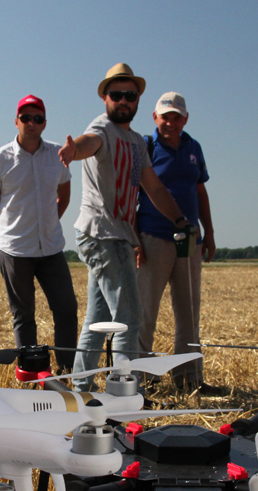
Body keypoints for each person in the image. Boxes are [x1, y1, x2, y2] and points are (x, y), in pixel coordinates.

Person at [58, 63, 192, 391]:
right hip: (102, 235)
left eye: (130, 96)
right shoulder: (102, 128)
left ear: (138, 100)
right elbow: (89, 142)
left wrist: (180, 220)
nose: (123, 101)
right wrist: (74, 150)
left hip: (115, 236)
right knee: (129, 319)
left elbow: (153, 186)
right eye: (116, 94)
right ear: (105, 97)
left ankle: (80, 391)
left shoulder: (135, 142)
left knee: (97, 321)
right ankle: (125, 395)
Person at [0, 95, 79, 372]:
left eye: (37, 118)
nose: (31, 123)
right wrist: (10, 233)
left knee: (66, 310)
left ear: (45, 123)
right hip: (15, 252)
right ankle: (32, 376)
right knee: (24, 316)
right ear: (16, 121)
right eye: (26, 118)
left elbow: (64, 197)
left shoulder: (58, 157)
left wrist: (47, 225)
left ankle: (67, 372)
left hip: (52, 249)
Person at [135, 92, 216, 390]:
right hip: (153, 238)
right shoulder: (145, 147)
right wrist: (135, 240)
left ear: (185, 119)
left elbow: (200, 192)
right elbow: (131, 196)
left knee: (189, 313)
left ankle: (189, 379)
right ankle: (141, 378)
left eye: (176, 117)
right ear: (155, 117)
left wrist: (209, 233)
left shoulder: (194, 147)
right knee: (145, 312)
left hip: (190, 242)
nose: (171, 123)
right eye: (165, 117)